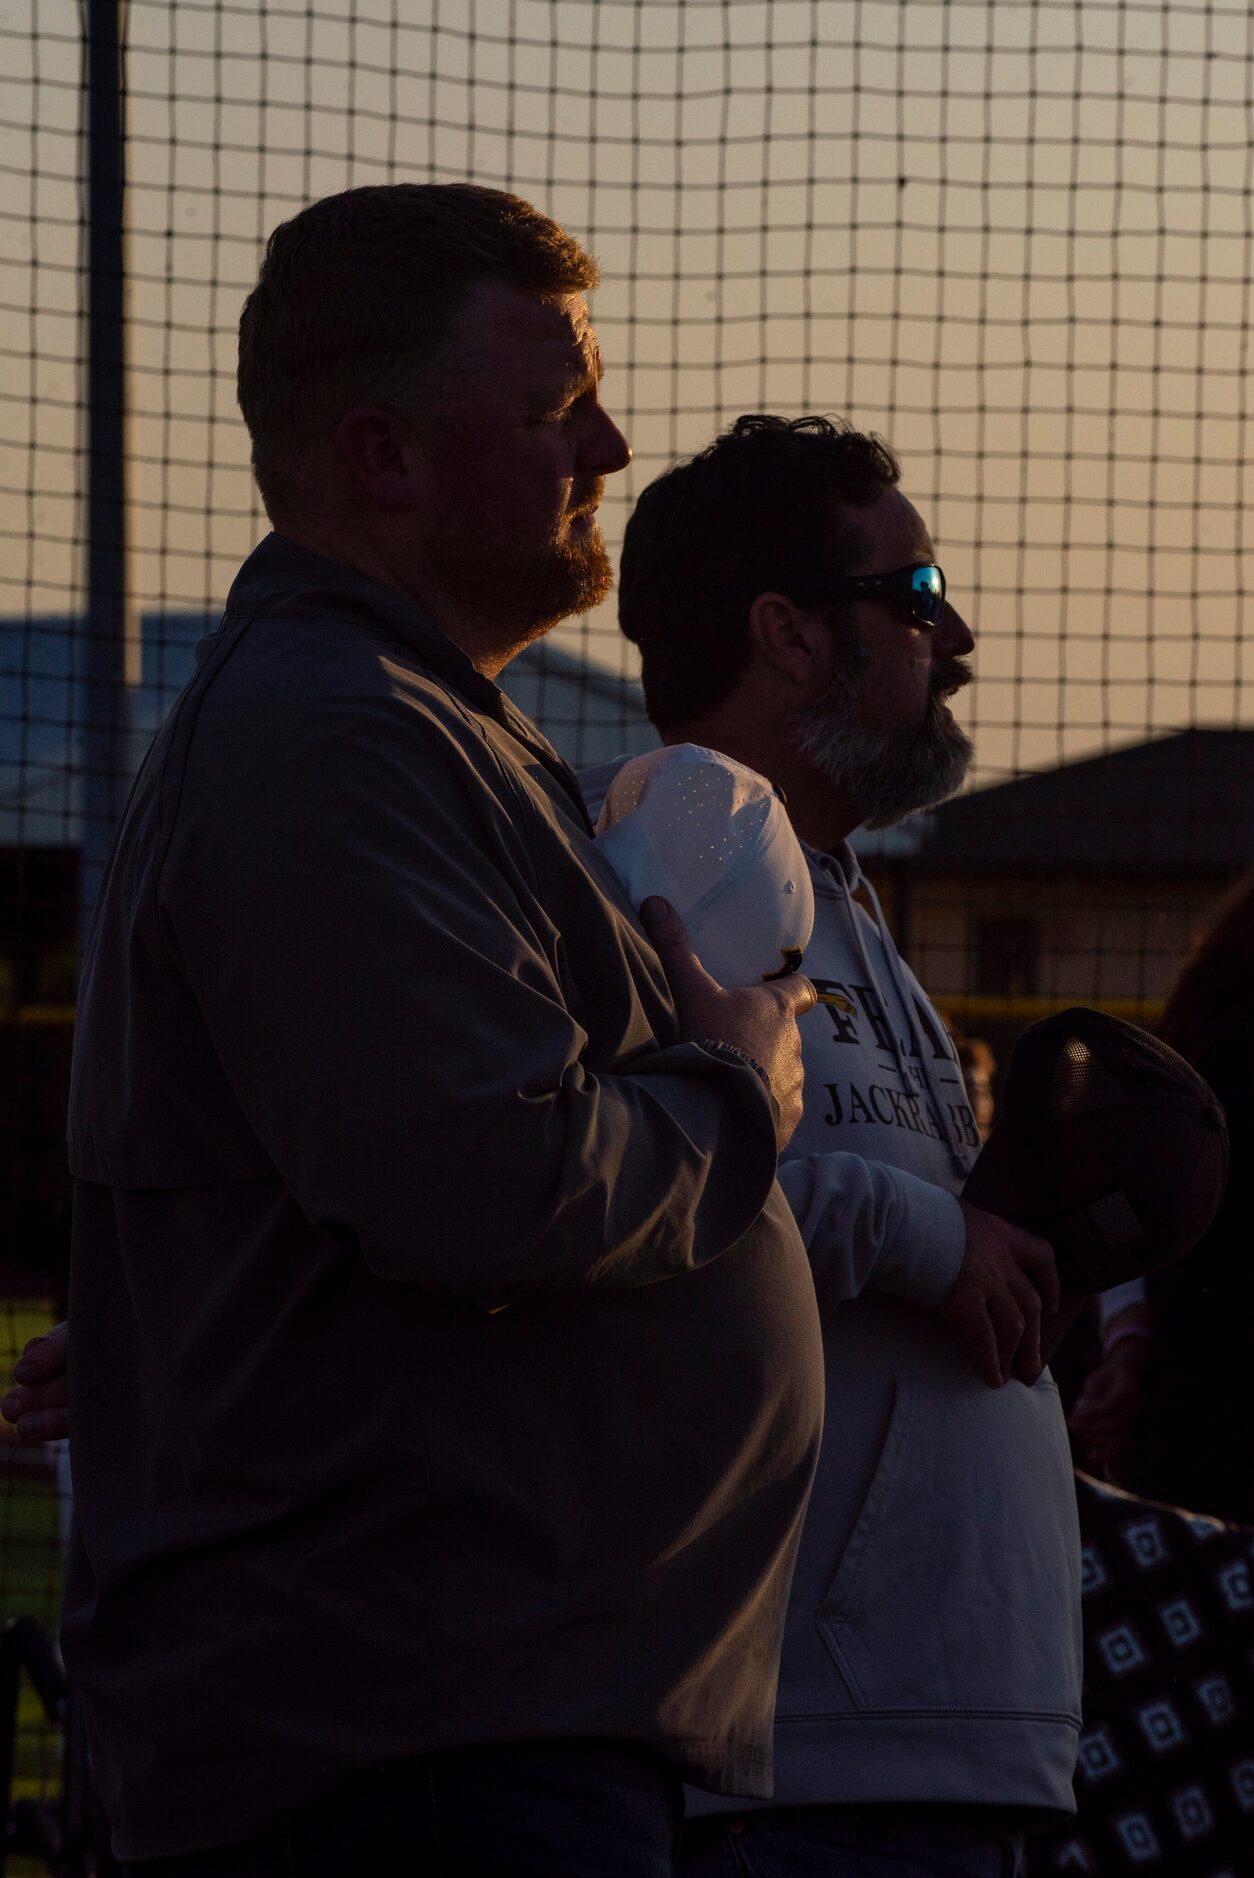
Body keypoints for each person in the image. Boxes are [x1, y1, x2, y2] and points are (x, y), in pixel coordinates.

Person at [15, 187, 825, 1876]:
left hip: (469, 1729)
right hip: (419, 1758)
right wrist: (731, 1092)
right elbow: (483, 1174)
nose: (605, 438)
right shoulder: (336, 735)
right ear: (380, 454)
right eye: (547, 410)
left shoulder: (420, 726)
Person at [581, 414, 1082, 1878]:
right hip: (808, 1752)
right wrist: (931, 1238)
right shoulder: (663, 867)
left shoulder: (839, 898)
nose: (959, 635)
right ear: (786, 635)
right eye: (916, 596)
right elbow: (641, 1194)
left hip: (942, 1730)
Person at [1073, 869, 1254, 1522]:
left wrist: (1128, 1340)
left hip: (1182, 1419)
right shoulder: (1226, 1042)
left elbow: (1122, 1208)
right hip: (1206, 1424)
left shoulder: (1206, 1030)